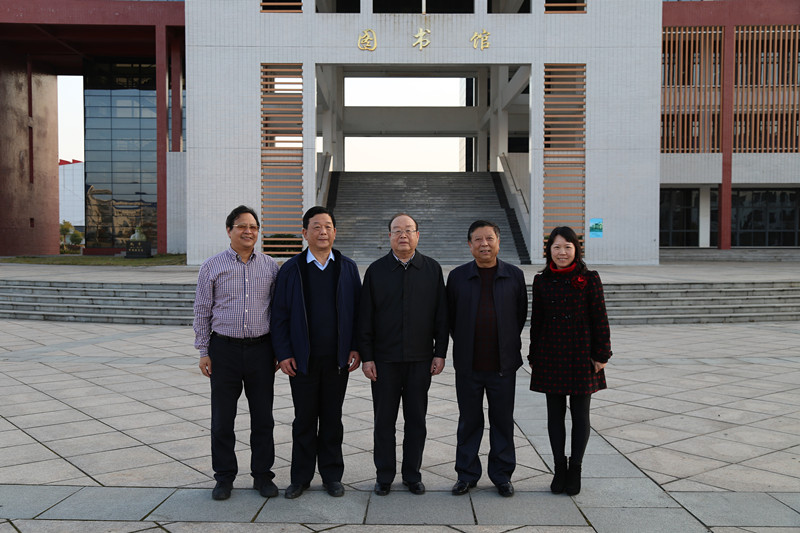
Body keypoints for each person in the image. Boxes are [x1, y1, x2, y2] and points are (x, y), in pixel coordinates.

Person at [270, 206, 362, 500]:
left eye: (328, 227)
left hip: (337, 360)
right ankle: (300, 478)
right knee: (304, 420)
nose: (323, 232)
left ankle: (332, 476)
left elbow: (358, 313)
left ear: (335, 232)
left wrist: (356, 346)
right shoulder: (291, 269)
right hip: (302, 360)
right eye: (317, 227)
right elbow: (279, 314)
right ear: (304, 232)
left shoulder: (347, 267)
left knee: (333, 420)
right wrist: (283, 352)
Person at [194, 205, 280, 501]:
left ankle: (263, 476)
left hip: (261, 350)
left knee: (263, 418)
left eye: (253, 227)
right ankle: (224, 477)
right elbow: (202, 310)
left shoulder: (270, 266)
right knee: (222, 419)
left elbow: (278, 311)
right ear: (229, 230)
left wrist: (278, 350)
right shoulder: (212, 266)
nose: (248, 231)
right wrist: (203, 350)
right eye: (242, 226)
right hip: (224, 350)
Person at [358, 213, 449, 496]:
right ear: (389, 236)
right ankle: (384, 475)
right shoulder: (376, 271)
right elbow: (365, 317)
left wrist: (440, 352)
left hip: (420, 360)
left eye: (408, 230)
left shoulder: (431, 269)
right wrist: (367, 357)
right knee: (384, 422)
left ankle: (412, 474)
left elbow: (441, 316)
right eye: (397, 231)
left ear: (417, 235)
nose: (403, 235)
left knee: (416, 421)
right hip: (384, 362)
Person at [446, 220, 527, 498]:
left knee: (502, 421)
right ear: (470, 245)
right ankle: (466, 474)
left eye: (489, 238)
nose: (484, 244)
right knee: (469, 422)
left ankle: (502, 476)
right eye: (478, 240)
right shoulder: (457, 277)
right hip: (468, 365)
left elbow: (519, 315)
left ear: (498, 242)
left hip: (503, 366)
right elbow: (450, 318)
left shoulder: (514, 275)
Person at [528, 226, 612, 496]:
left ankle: (575, 468)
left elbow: (600, 317)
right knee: (554, 415)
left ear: (576, 249)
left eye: (567, 247)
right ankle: (559, 468)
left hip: (581, 354)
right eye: (556, 247)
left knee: (580, 414)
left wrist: (602, 354)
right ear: (549, 251)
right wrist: (533, 354)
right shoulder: (541, 280)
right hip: (551, 354)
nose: (562, 252)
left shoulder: (589, 278)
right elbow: (537, 321)